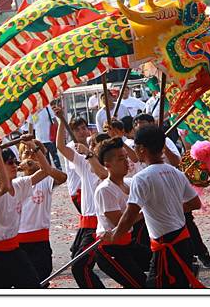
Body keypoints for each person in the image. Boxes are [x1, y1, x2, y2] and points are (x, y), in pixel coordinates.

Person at [102, 125, 204, 288]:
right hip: (183, 242)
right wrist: (169, 207)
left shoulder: (141, 178)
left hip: (166, 245)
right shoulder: (176, 172)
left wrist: (114, 237)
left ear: (142, 148)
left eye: (135, 146)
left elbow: (129, 215)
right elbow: (194, 203)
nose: (133, 151)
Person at [132, 114, 210, 269]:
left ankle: (202, 254)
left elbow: (177, 162)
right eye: (136, 123)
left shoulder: (166, 145)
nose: (138, 125)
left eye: (142, 122)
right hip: (156, 198)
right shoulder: (143, 167)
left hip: (171, 193)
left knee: (188, 227)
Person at [0, 138, 53, 288]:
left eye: (15, 162)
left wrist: (34, 148)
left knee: (34, 288)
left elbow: (46, 171)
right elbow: (3, 188)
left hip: (13, 250)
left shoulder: (20, 184)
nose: (15, 166)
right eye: (10, 163)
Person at [56, 106, 109, 289]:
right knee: (78, 260)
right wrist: (61, 120)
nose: (93, 146)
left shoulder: (110, 166)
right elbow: (61, 147)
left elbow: (103, 174)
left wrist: (88, 153)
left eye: (96, 145)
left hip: (99, 223)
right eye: (92, 144)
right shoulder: (84, 164)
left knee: (81, 267)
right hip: (86, 222)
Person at [93, 137, 147, 288]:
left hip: (128, 243)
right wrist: (146, 211)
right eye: (121, 159)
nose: (127, 162)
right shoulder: (105, 189)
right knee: (139, 285)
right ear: (107, 164)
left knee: (160, 264)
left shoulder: (129, 183)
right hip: (110, 248)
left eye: (126, 158)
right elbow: (121, 222)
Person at [17, 140, 67, 283]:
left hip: (40, 240)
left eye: (35, 152)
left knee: (42, 279)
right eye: (27, 152)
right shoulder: (15, 182)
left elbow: (63, 178)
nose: (31, 155)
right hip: (18, 241)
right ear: (20, 157)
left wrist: (39, 165)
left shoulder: (46, 179)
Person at [52, 109, 88, 214]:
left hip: (91, 189)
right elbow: (60, 146)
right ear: (71, 133)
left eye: (83, 128)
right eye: (77, 130)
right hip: (79, 191)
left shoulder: (91, 142)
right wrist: (62, 122)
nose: (81, 132)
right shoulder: (72, 147)